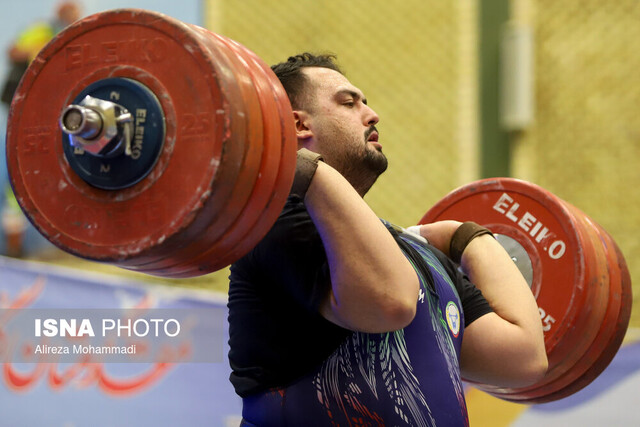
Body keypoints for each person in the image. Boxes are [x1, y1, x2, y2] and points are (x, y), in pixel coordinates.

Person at [227, 53, 548, 426]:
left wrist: (468, 237)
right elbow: (389, 303)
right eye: (349, 102)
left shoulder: (416, 254)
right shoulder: (275, 219)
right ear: (298, 124)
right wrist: (294, 164)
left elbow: (523, 359)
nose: (372, 113)